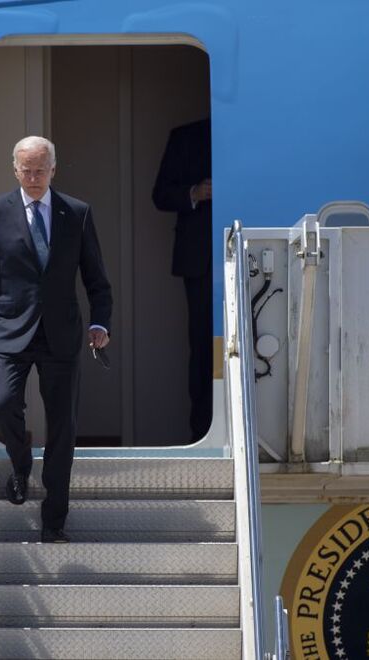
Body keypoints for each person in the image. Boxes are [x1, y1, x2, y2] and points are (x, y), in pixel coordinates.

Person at [0, 136, 112, 544]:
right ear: (15, 169)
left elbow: (97, 280)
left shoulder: (76, 213)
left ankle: (54, 520)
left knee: (63, 428)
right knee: (3, 405)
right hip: (9, 329)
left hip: (61, 333)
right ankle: (21, 462)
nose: (34, 177)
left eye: (41, 169)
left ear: (53, 169)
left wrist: (101, 324)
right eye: (27, 170)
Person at [152, 118, 212, 441]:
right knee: (202, 346)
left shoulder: (254, 128)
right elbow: (160, 195)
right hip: (199, 261)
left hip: (250, 258)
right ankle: (201, 431)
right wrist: (195, 193)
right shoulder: (186, 136)